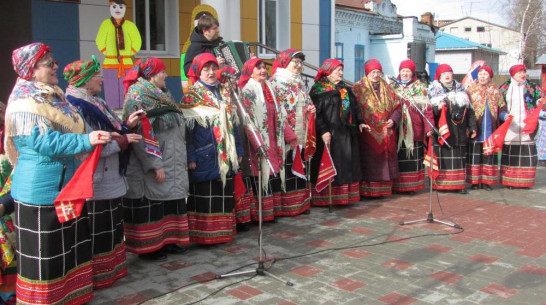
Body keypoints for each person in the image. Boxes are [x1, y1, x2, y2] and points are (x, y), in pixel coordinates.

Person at [6, 42, 112, 305]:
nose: (55, 66)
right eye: (48, 63)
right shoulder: (25, 102)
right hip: (41, 193)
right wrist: (87, 141)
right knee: (46, 257)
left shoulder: (51, 95)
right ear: (31, 70)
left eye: (54, 61)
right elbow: (44, 143)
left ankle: (70, 297)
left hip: (64, 185)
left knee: (68, 251)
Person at [63, 56, 143, 288]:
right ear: (85, 79)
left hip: (109, 173)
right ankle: (101, 275)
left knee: (112, 225)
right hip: (97, 176)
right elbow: (89, 146)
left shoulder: (96, 102)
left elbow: (113, 129)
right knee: (100, 228)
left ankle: (113, 270)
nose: (101, 79)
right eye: (97, 75)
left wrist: (127, 124)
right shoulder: (78, 107)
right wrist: (122, 141)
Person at [122, 57, 189, 261]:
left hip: (171, 157)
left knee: (167, 203)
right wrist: (154, 164)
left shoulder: (162, 95)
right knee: (153, 202)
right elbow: (142, 136)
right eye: (162, 72)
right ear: (151, 75)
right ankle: (150, 248)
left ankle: (167, 241)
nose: (166, 75)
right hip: (151, 164)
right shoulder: (138, 97)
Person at [180, 53, 244, 244]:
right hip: (204, 153)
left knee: (223, 191)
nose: (210, 73)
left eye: (213, 68)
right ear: (198, 73)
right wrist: (190, 156)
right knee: (205, 194)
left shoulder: (225, 92)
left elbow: (234, 124)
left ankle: (223, 233)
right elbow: (187, 133)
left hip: (225, 153)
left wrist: (239, 149)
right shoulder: (192, 97)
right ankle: (204, 237)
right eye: (205, 69)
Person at [238, 58, 298, 221]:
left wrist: (290, 136)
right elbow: (247, 122)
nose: (263, 70)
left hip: (272, 139)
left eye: (265, 67)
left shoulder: (269, 88)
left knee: (272, 172)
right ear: (250, 71)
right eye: (259, 68)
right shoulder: (247, 91)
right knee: (261, 172)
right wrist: (257, 143)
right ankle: (261, 214)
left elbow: (280, 115)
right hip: (258, 141)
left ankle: (272, 211)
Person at [309, 59, 365, 205]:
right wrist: (323, 130)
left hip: (346, 133)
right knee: (331, 163)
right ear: (328, 72)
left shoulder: (344, 89)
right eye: (337, 70)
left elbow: (355, 107)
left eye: (341, 70)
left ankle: (343, 196)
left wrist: (361, 122)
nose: (341, 73)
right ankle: (325, 198)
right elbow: (317, 114)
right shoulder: (318, 90)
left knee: (345, 164)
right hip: (329, 134)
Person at [269, 49, 315, 215]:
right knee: (286, 168)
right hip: (285, 135)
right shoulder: (276, 83)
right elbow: (276, 112)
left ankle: (300, 204)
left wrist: (310, 108)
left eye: (300, 62)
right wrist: (289, 133)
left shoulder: (300, 83)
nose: (298, 65)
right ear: (284, 63)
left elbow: (305, 102)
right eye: (294, 61)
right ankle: (286, 207)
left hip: (300, 133)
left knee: (299, 167)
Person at [352, 59, 400, 198]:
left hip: (386, 131)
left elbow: (397, 106)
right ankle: (368, 191)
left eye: (378, 72)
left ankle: (384, 190)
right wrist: (361, 121)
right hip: (368, 132)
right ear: (367, 73)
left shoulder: (388, 87)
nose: (376, 75)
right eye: (373, 72)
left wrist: (393, 119)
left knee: (385, 162)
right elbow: (356, 108)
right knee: (369, 161)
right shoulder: (358, 88)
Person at [428, 64, 477, 194]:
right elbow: (429, 113)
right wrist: (437, 108)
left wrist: (472, 127)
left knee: (459, 159)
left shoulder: (462, 91)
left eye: (449, 73)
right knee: (443, 159)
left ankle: (459, 185)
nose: (447, 76)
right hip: (442, 132)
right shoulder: (433, 92)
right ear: (439, 77)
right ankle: (442, 185)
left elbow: (470, 112)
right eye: (444, 74)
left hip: (459, 131)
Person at [390, 59, 434, 194]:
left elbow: (427, 110)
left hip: (415, 129)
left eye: (407, 71)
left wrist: (429, 127)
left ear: (412, 73)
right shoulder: (392, 86)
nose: (404, 74)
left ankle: (412, 187)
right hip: (397, 128)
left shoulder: (419, 87)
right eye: (403, 71)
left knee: (412, 157)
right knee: (399, 157)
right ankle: (397, 186)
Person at [498, 64, 545, 188]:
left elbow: (540, 99)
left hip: (527, 125)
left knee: (526, 153)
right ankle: (509, 182)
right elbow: (498, 105)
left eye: (524, 72)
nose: (522, 74)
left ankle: (525, 182)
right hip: (510, 125)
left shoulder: (532, 87)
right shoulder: (504, 88)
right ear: (513, 74)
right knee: (510, 153)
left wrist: (539, 101)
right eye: (519, 72)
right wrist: (503, 116)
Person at [465, 65, 505, 190]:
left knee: (488, 155)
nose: (482, 76)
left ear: (490, 76)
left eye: (485, 74)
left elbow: (501, 107)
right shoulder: (470, 90)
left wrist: (505, 116)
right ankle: (475, 181)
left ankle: (487, 181)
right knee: (475, 154)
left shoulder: (495, 90)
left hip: (489, 128)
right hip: (475, 126)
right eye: (480, 74)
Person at [95, 0, 142, 109]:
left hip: (126, 62)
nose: (117, 10)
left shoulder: (130, 25)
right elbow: (100, 40)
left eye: (121, 7)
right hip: (110, 62)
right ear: (110, 7)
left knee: (126, 86)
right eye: (115, 6)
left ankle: (127, 108)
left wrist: (130, 52)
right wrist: (107, 51)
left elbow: (137, 40)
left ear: (125, 8)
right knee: (111, 87)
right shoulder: (106, 24)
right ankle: (112, 108)